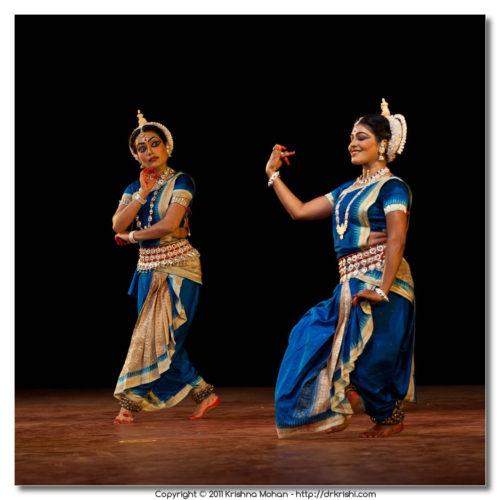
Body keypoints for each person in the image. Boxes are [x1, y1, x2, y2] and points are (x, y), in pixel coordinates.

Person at [267, 99, 415, 439]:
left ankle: (388, 417)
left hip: (384, 279)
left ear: (383, 145)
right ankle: (347, 402)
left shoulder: (393, 187)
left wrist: (382, 288)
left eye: (362, 137)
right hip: (349, 282)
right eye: (351, 136)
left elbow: (396, 239)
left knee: (371, 361)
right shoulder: (347, 190)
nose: (353, 142)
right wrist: (273, 175)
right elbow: (301, 211)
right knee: (309, 337)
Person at [112, 110, 219, 424]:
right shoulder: (135, 186)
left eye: (154, 144)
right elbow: (116, 222)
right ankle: (203, 392)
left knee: (157, 336)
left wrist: (130, 236)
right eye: (142, 148)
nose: (149, 151)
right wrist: (142, 194)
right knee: (157, 337)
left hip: (179, 266)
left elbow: (169, 224)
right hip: (147, 269)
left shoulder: (182, 180)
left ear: (167, 147)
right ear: (136, 155)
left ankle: (129, 405)